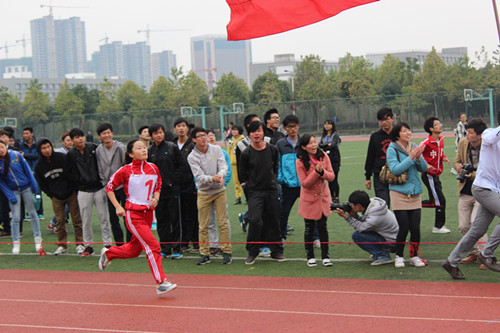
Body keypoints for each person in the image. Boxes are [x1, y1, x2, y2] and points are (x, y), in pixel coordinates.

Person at [99, 138, 177, 295]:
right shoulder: (125, 170)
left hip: (148, 214)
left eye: (145, 147)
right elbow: (109, 187)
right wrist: (118, 207)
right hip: (133, 215)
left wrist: (156, 198)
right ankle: (161, 282)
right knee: (153, 246)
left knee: (134, 251)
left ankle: (108, 253)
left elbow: (158, 185)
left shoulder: (153, 168)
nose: (144, 150)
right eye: (139, 148)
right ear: (131, 154)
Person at [442, 110, 500, 280]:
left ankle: (451, 262)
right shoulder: (490, 134)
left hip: (492, 190)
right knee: (476, 229)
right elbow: (490, 139)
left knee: (477, 230)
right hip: (483, 188)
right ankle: (487, 253)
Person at [239, 121, 286, 265]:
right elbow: (243, 175)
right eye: (253, 132)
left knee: (274, 220)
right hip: (255, 191)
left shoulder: (272, 149)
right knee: (255, 220)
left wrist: (272, 181)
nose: (256, 134)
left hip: (271, 190)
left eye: (259, 131)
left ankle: (276, 251)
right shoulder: (246, 153)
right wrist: (251, 187)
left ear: (263, 132)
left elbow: (275, 167)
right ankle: (253, 251)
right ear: (249, 135)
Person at [187, 127, 232, 265]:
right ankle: (204, 253)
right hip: (204, 193)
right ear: (194, 139)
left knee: (223, 222)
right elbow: (199, 177)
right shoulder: (192, 157)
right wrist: (213, 178)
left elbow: (223, 166)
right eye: (199, 136)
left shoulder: (216, 149)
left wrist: (221, 175)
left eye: (204, 135)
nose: (203, 138)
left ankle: (227, 252)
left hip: (219, 191)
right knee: (203, 225)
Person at [387, 122, 427, 268]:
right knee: (404, 227)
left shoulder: (414, 146)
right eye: (404, 131)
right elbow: (395, 169)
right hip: (399, 192)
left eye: (409, 130)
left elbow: (423, 168)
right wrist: (410, 157)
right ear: (398, 134)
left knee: (415, 228)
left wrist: (418, 157)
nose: (408, 133)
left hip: (415, 192)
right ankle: (399, 256)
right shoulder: (392, 148)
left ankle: (414, 256)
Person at [34, 138, 84, 255]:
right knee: (60, 221)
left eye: (48, 147)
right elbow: (42, 184)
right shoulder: (39, 166)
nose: (47, 150)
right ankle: (62, 245)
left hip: (71, 194)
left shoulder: (62, 158)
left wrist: (74, 190)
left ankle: (80, 244)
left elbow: (72, 173)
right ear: (39, 150)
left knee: (77, 220)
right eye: (43, 148)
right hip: (56, 197)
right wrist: (51, 195)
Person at [66, 128, 112, 256]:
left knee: (104, 217)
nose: (80, 139)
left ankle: (107, 244)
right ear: (72, 140)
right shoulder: (71, 154)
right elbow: (68, 172)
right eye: (76, 137)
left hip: (98, 188)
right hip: (83, 190)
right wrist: (80, 180)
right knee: (86, 220)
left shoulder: (93, 148)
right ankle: (88, 246)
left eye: (81, 136)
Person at [452, 118, 488, 269]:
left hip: (483, 190)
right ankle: (474, 253)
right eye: (467, 132)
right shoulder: (462, 143)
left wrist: (472, 175)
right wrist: (460, 167)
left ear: (479, 135)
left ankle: (486, 255)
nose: (467, 135)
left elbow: (489, 171)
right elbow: (456, 161)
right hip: (465, 190)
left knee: (476, 223)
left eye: (470, 132)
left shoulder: (488, 146)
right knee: (463, 226)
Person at [296, 134, 334, 267]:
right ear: (303, 147)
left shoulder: (323, 155)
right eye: (310, 143)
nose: (313, 145)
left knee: (323, 227)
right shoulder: (300, 161)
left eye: (314, 142)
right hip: (309, 200)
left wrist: (322, 172)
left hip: (323, 199)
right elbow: (305, 183)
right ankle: (310, 256)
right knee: (309, 228)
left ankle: (325, 256)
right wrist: (316, 172)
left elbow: (331, 176)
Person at [148, 123, 185, 259]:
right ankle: (165, 248)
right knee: (162, 220)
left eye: (160, 132)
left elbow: (182, 166)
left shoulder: (172, 148)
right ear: (151, 135)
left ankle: (177, 248)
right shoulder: (150, 150)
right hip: (157, 193)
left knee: (175, 220)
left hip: (172, 190)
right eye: (156, 133)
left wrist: (172, 181)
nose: (159, 135)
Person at [334, 190, 399, 265]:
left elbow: (361, 227)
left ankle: (383, 255)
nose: (350, 206)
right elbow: (365, 220)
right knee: (363, 232)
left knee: (357, 235)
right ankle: (379, 253)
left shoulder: (375, 218)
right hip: (393, 238)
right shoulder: (373, 205)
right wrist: (354, 215)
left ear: (358, 206)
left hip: (393, 244)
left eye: (351, 204)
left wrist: (346, 217)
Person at [0, 139, 42, 254]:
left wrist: (34, 187)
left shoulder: (16, 155)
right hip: (13, 191)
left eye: (2, 147)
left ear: (6, 147)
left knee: (32, 213)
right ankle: (16, 243)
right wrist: (10, 195)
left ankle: (38, 240)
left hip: (26, 188)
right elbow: (1, 183)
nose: (1, 150)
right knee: (15, 217)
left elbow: (28, 171)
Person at [96, 123, 128, 245]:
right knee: (113, 218)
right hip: (109, 189)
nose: (107, 135)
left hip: (123, 187)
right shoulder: (99, 150)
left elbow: (125, 166)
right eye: (104, 133)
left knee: (127, 217)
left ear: (112, 133)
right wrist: (106, 183)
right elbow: (100, 168)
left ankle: (130, 243)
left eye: (108, 132)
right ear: (99, 136)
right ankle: (120, 244)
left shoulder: (120, 147)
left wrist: (123, 182)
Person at [420, 116, 451, 234]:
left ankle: (415, 203)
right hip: (429, 175)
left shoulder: (441, 141)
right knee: (440, 200)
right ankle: (438, 227)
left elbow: (440, 152)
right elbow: (416, 154)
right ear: (431, 129)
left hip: (436, 175)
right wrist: (425, 165)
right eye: (437, 124)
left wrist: (443, 158)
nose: (440, 125)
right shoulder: (426, 143)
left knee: (435, 200)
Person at [173, 117, 199, 253]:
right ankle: (183, 242)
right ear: (175, 129)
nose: (181, 128)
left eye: (183, 125)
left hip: (191, 185)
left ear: (187, 128)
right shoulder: (172, 145)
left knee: (193, 214)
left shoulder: (193, 145)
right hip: (176, 186)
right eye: (178, 126)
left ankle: (196, 241)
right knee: (180, 214)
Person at [206, 129, 232, 256]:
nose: (211, 138)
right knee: (210, 219)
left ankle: (225, 245)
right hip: (205, 191)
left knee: (223, 219)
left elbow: (227, 169)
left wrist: (224, 183)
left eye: (212, 135)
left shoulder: (222, 152)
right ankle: (213, 245)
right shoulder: (199, 154)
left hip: (220, 190)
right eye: (208, 136)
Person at [276, 114, 301, 240]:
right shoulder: (281, 144)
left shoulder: (304, 142)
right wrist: (281, 179)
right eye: (290, 127)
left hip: (305, 185)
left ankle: (315, 237)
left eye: (295, 126)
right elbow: (277, 163)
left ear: (298, 126)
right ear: (285, 128)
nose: (293, 129)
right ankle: (282, 236)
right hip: (287, 185)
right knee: (283, 212)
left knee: (311, 212)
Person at [364, 107, 395, 207]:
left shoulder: (398, 134)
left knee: (399, 206)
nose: (384, 122)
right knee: (383, 205)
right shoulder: (375, 136)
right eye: (381, 120)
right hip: (379, 175)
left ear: (392, 119)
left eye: (386, 119)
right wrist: (368, 176)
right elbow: (370, 156)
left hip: (397, 174)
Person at [47, 131, 74, 233]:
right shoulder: (60, 154)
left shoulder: (72, 152)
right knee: (65, 207)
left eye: (71, 140)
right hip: (62, 186)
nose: (70, 142)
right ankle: (54, 223)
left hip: (71, 184)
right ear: (62, 142)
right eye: (68, 140)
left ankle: (59, 223)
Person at [19, 126, 44, 219]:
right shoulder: (21, 145)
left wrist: (25, 155)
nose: (25, 135)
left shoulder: (37, 144)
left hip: (37, 171)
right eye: (24, 133)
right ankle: (30, 212)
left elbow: (38, 155)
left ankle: (40, 212)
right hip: (26, 173)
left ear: (32, 134)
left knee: (37, 191)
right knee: (27, 193)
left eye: (27, 133)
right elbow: (21, 158)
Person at [319, 119, 341, 203]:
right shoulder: (324, 135)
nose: (326, 126)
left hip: (334, 158)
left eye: (328, 124)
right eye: (325, 124)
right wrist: (327, 145)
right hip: (326, 158)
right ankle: (331, 196)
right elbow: (320, 145)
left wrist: (326, 146)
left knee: (334, 178)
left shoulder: (335, 134)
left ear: (332, 125)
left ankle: (336, 196)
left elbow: (333, 145)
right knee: (329, 179)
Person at [227, 125, 244, 205]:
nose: (233, 131)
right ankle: (238, 197)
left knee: (245, 180)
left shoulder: (243, 140)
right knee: (236, 181)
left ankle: (248, 197)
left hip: (242, 164)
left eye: (235, 130)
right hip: (233, 164)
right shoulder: (230, 141)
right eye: (232, 130)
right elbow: (228, 152)